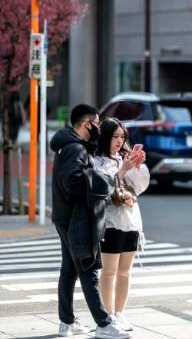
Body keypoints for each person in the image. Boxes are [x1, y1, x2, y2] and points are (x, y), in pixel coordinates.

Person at [50, 104, 130, 339]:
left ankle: (66, 322)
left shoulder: (70, 146)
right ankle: (104, 324)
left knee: (69, 270)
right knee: (88, 268)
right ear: (87, 123)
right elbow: (72, 183)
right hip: (76, 218)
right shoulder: (76, 149)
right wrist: (100, 179)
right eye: (96, 123)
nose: (99, 127)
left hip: (65, 216)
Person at [94, 117, 149, 332]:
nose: (119, 141)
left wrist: (137, 165)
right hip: (110, 223)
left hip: (131, 221)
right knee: (109, 272)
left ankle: (120, 314)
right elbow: (101, 188)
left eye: (122, 137)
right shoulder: (97, 160)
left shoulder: (122, 158)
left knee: (125, 272)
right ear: (105, 137)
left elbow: (140, 187)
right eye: (115, 136)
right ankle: (107, 317)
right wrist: (123, 170)